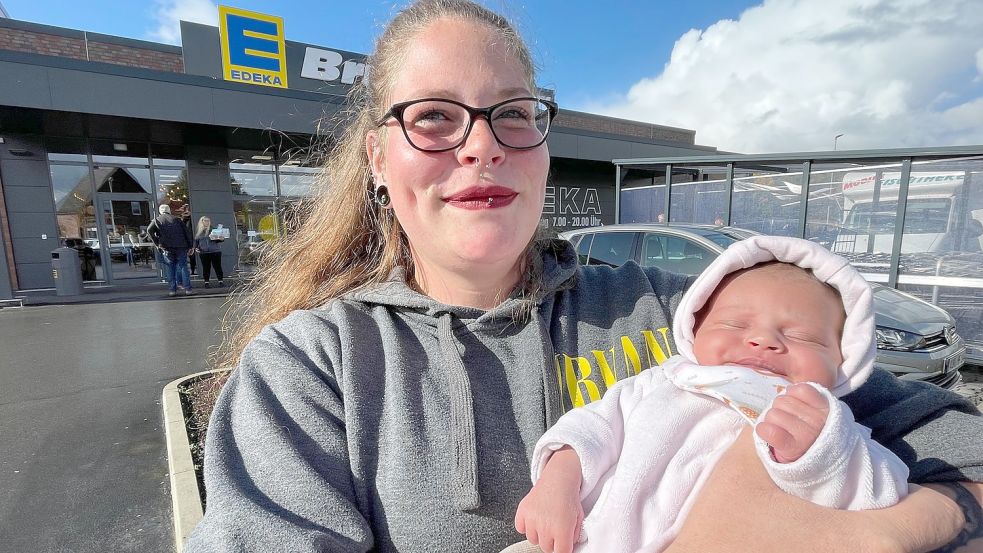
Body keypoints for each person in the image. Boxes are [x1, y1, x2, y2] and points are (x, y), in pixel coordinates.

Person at [185, 2, 983, 552]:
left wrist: (887, 528)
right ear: (376, 158)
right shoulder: (308, 371)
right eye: (433, 116)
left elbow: (957, 450)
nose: (479, 145)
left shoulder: (682, 314)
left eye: (512, 112)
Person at [514, 236, 908, 553]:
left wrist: (822, 454)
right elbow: (587, 430)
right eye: (735, 323)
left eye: (801, 336)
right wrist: (556, 488)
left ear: (844, 360)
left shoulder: (834, 430)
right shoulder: (660, 383)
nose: (762, 340)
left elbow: (884, 492)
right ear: (693, 328)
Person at [147, 204, 193, 297]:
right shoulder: (177, 219)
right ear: (169, 211)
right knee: (183, 267)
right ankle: (188, 289)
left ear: (160, 211)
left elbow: (149, 231)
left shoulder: (157, 220)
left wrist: (157, 243)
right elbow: (186, 232)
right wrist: (190, 246)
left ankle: (172, 290)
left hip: (166, 247)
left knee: (170, 268)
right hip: (181, 246)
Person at [194, 216, 225, 288]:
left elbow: (219, 240)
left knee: (217, 267)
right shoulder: (199, 232)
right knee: (206, 268)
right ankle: (206, 282)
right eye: (205, 221)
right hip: (204, 252)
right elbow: (196, 242)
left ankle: (221, 281)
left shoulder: (213, 230)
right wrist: (196, 248)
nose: (207, 222)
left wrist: (221, 238)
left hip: (215, 251)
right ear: (201, 222)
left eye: (208, 221)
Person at [182, 204, 199, 276]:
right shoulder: (185, 219)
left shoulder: (193, 218)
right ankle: (192, 271)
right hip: (188, 241)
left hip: (192, 240)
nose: (187, 211)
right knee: (190, 257)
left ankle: (192, 270)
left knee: (193, 257)